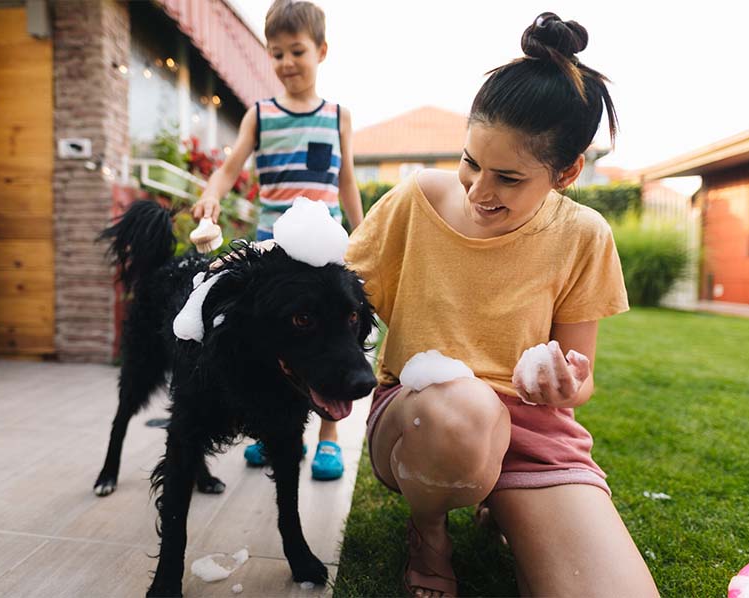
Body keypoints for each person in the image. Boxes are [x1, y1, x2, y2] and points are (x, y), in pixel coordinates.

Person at [345, 12, 660, 598]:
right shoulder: (416, 200)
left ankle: (502, 503)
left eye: (509, 179)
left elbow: (580, 374)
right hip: (425, 420)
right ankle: (430, 532)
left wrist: (568, 386)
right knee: (461, 412)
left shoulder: (585, 235)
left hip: (531, 429)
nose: (478, 191)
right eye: (470, 162)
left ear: (566, 172)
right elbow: (340, 297)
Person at [192, 0, 364, 481]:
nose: (287, 63)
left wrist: (362, 229)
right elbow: (228, 170)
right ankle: (277, 432)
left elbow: (346, 180)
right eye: (277, 54)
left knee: (332, 343)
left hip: (328, 248)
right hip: (274, 251)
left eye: (297, 52)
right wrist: (210, 197)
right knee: (280, 347)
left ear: (321, 51)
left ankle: (329, 438)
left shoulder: (337, 116)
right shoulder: (260, 115)